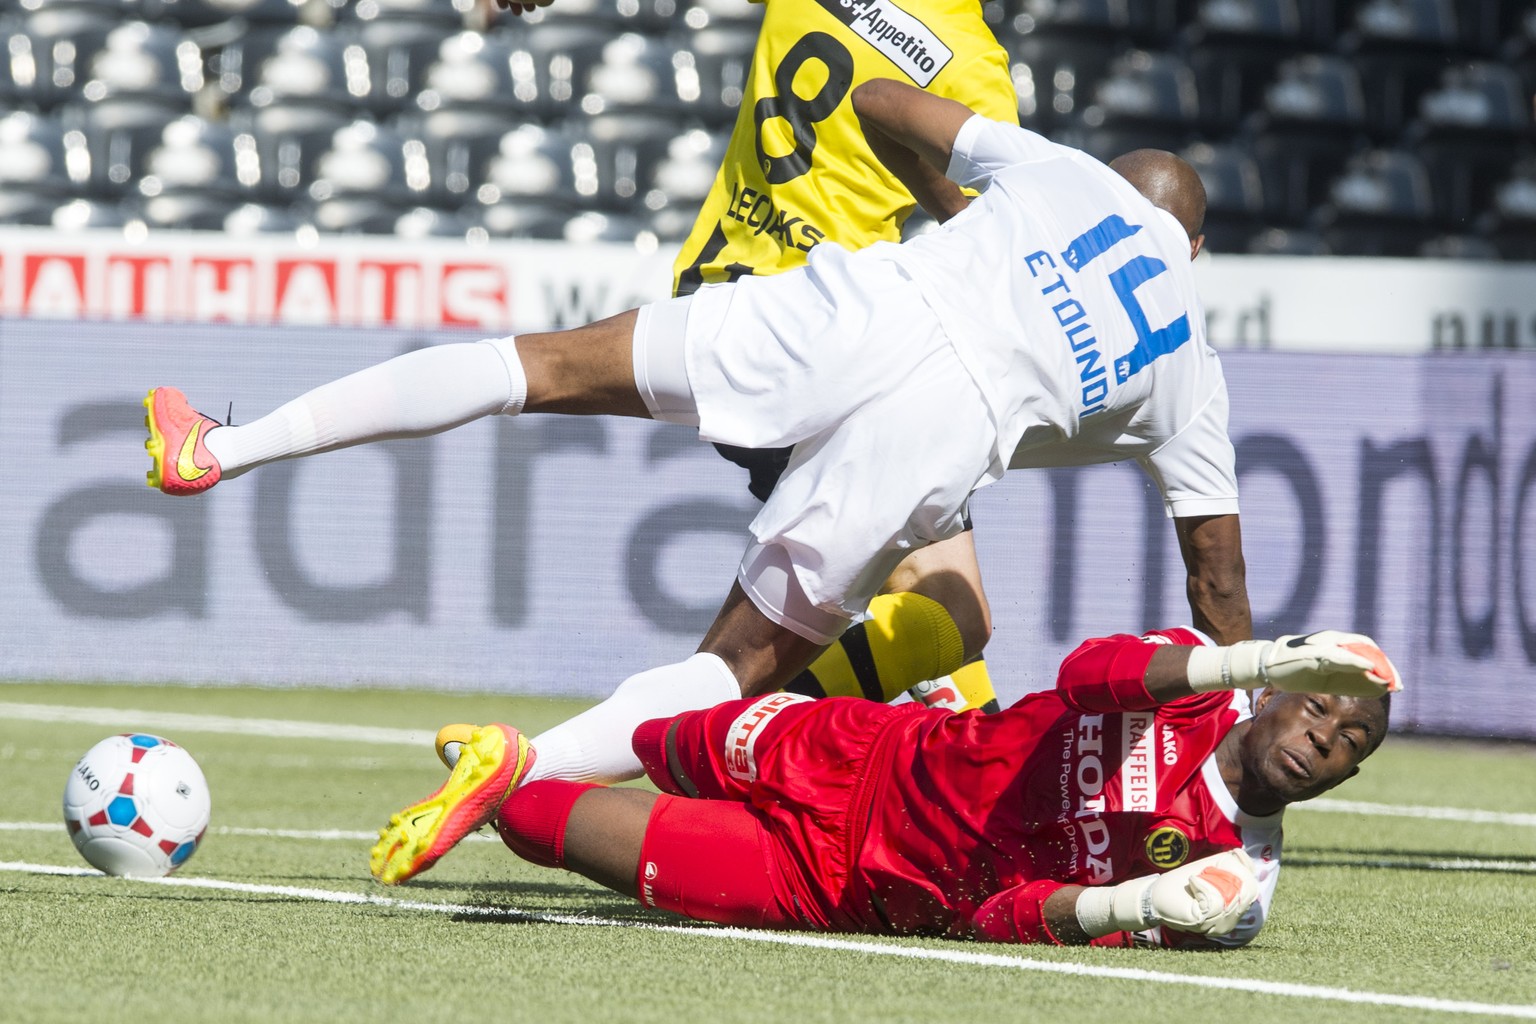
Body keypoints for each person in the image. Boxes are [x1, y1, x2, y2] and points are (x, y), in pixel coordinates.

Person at [144, 79, 1251, 883]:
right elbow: (1216, 587)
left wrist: (964, 211)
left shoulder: (1056, 175)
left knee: (534, 366)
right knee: (737, 665)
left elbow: (875, 97)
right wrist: (1239, 749)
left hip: (854, 311)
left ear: (1117, 187)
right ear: (1191, 255)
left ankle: (220, 448)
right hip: (934, 432)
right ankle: (522, 761)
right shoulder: (1191, 374)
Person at [488, 0, 1025, 716]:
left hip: (721, 295)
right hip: (830, 336)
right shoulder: (974, 60)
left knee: (934, 613)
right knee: (945, 616)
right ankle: (709, 746)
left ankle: (964, 778)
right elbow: (1002, 226)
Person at [376, 626, 1400, 947]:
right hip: (857, 750)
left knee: (541, 822)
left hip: (838, 887)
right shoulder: (1188, 683)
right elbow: (1090, 671)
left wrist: (1127, 905)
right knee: (656, 739)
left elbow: (1001, 914)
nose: (1323, 738)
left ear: (1353, 772)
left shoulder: (1233, 884)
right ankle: (518, 752)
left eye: (1350, 740)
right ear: (1278, 692)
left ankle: (504, 779)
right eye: (1318, 706)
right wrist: (1251, 654)